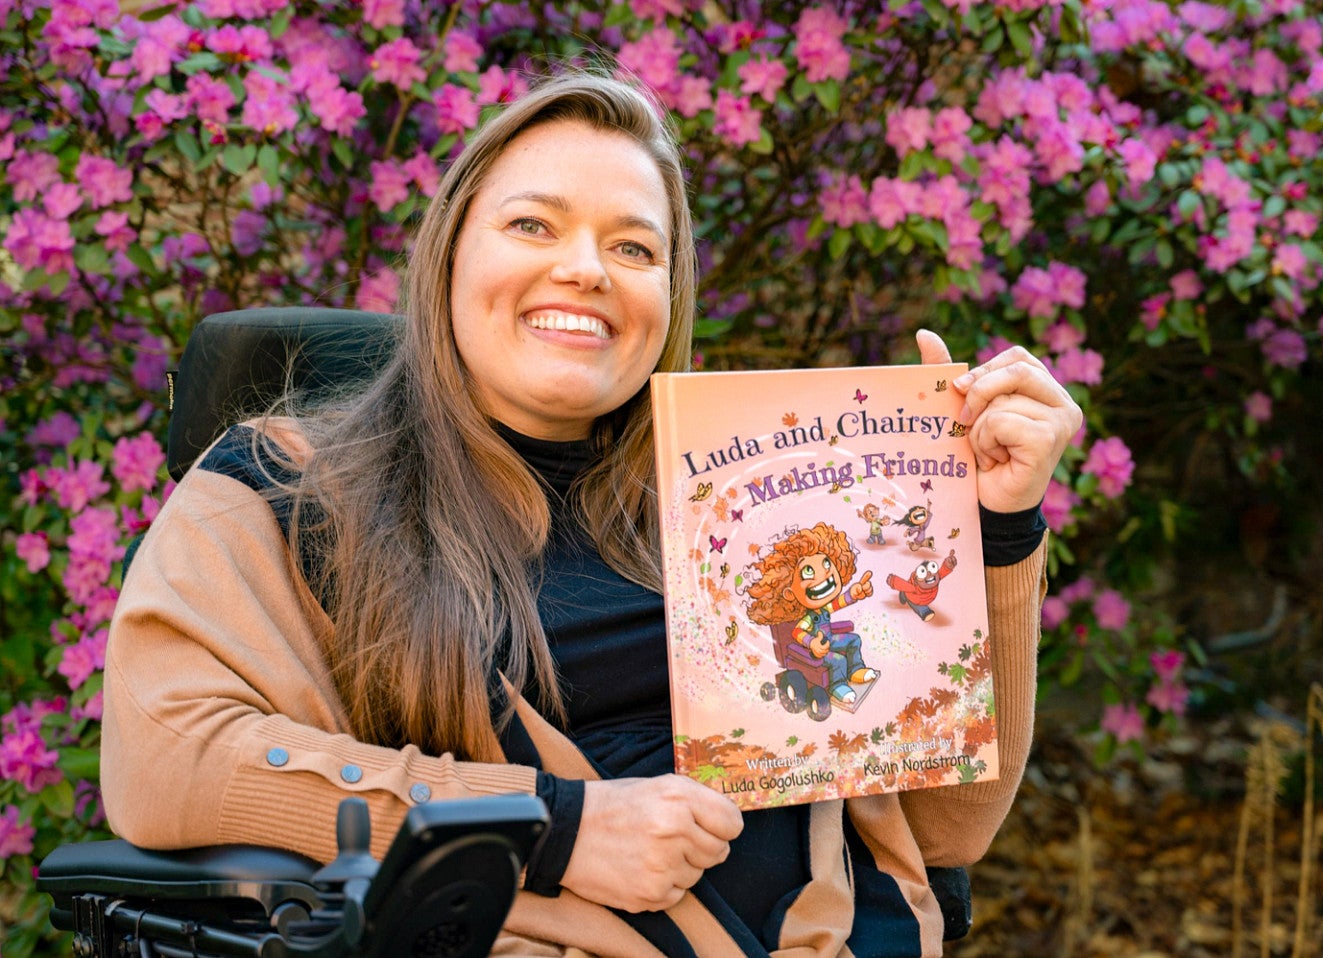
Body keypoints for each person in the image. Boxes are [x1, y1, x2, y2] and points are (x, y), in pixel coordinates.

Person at [100, 70, 1084, 956]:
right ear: (449, 256)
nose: (587, 269)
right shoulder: (290, 489)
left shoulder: (750, 499)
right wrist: (552, 828)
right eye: (534, 225)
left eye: (632, 245)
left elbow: (944, 832)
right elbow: (169, 756)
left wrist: (997, 528)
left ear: (667, 292)